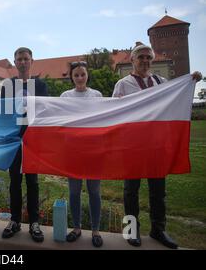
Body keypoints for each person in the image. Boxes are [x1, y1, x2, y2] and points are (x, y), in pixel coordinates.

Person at [112, 42, 203, 249]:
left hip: (155, 145)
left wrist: (191, 81)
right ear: (133, 60)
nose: (145, 61)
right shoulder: (123, 84)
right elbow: (116, 112)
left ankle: (158, 229)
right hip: (133, 145)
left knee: (158, 190)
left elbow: (175, 98)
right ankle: (130, 231)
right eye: (141, 57)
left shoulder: (161, 81)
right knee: (130, 190)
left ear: (151, 61)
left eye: (148, 58)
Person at [1, 47, 48, 242]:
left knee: (33, 182)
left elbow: (46, 111)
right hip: (14, 138)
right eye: (19, 59)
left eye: (25, 59)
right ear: (14, 62)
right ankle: (15, 220)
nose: (22, 62)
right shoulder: (8, 85)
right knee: (14, 182)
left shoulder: (41, 85)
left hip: (33, 139)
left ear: (31, 61)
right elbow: (2, 112)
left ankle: (34, 222)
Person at [60, 61, 103, 248]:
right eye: (76, 75)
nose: (79, 78)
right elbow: (59, 118)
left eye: (82, 74)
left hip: (93, 150)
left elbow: (103, 118)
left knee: (94, 191)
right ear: (71, 77)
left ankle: (95, 230)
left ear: (87, 76)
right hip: (73, 151)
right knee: (74, 192)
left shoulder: (97, 95)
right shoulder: (65, 96)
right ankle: (76, 228)